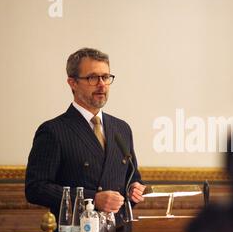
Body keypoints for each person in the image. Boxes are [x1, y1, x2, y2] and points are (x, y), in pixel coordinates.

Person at [25, 48, 145, 222]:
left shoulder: (122, 128)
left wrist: (134, 189)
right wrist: (93, 199)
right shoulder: (53, 131)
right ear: (72, 83)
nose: (102, 84)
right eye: (93, 78)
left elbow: (133, 178)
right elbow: (36, 188)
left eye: (105, 77)